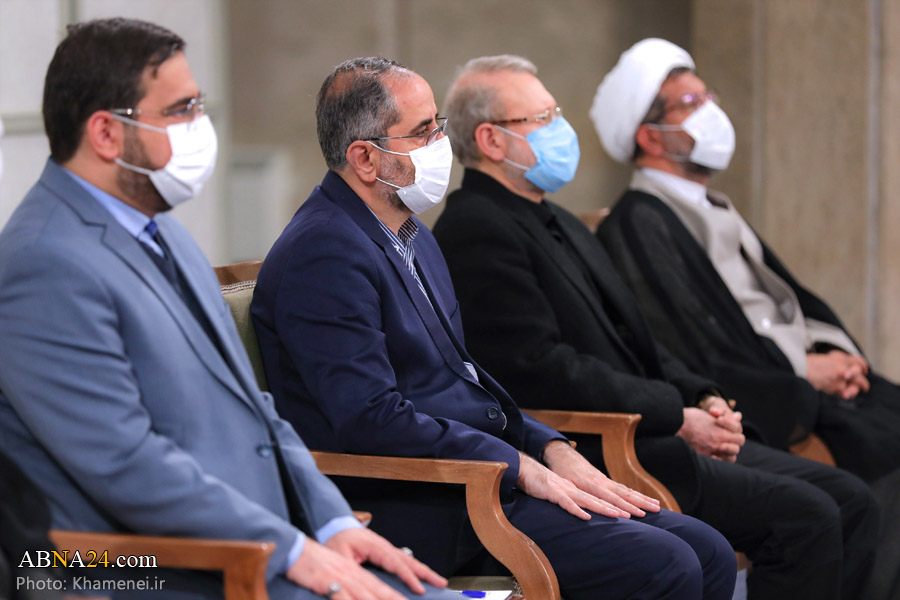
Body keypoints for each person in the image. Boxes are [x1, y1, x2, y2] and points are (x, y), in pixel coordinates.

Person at [251, 56, 736, 600]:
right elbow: (371, 418)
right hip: (425, 500)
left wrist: (550, 447)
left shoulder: (411, 234)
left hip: (480, 475)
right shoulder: (324, 252)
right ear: (365, 158)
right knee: (666, 563)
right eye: (423, 131)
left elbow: (462, 377)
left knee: (707, 549)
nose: (441, 143)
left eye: (438, 124)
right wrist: (516, 465)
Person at [0, 18, 452, 600]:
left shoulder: (164, 233)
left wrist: (332, 522)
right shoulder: (43, 261)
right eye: (180, 109)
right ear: (107, 133)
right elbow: (125, 465)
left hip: (259, 542)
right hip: (143, 568)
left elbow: (257, 412)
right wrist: (293, 549)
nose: (201, 125)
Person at [431, 53, 879, 600]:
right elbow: (541, 369)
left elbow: (637, 339)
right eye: (543, 118)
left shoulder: (556, 217)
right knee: (809, 516)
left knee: (850, 498)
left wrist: (703, 395)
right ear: (492, 141)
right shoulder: (476, 227)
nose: (560, 128)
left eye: (556, 113)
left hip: (656, 426)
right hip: (612, 446)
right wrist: (677, 415)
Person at [591, 38, 900, 600]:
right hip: (751, 392)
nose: (710, 110)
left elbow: (786, 299)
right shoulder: (639, 221)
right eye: (690, 103)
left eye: (706, 95)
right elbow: (690, 340)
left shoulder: (713, 204)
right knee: (876, 457)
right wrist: (802, 371)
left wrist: (834, 354)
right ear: (650, 136)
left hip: (789, 370)